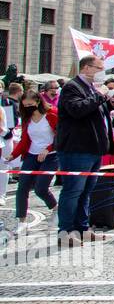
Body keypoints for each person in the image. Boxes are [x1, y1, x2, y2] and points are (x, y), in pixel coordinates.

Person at [53, 55, 114, 247]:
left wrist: (108, 102)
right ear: (87, 68)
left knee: (86, 191)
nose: (102, 72)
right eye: (99, 68)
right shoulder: (72, 87)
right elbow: (77, 110)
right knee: (73, 190)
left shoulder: (90, 88)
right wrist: (100, 96)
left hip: (93, 148)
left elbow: (95, 112)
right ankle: (65, 230)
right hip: (76, 148)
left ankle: (82, 228)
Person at [12, 90, 58, 223]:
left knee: (41, 188)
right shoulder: (27, 118)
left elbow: (60, 136)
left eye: (30, 104)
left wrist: (48, 149)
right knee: (22, 187)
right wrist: (12, 155)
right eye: (25, 105)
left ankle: (55, 207)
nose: (28, 107)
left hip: (51, 155)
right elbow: (25, 140)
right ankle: (21, 220)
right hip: (31, 155)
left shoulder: (52, 114)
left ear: (38, 101)